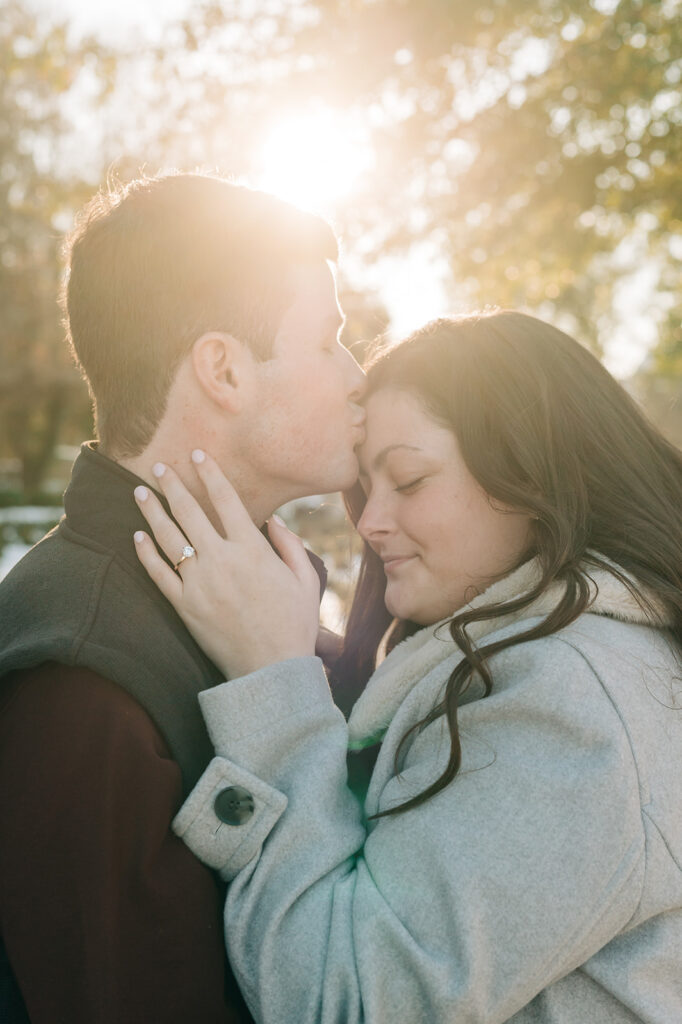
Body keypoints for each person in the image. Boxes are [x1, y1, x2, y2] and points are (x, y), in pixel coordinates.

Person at [134, 310, 682, 1024]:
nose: (369, 521)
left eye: (411, 479)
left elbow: (342, 1002)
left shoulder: (574, 703)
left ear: (535, 476)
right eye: (367, 485)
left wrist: (272, 686)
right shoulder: (557, 661)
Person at [0, 171, 365, 1023]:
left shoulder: (264, 598)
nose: (359, 378)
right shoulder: (79, 678)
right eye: (329, 342)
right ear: (224, 369)